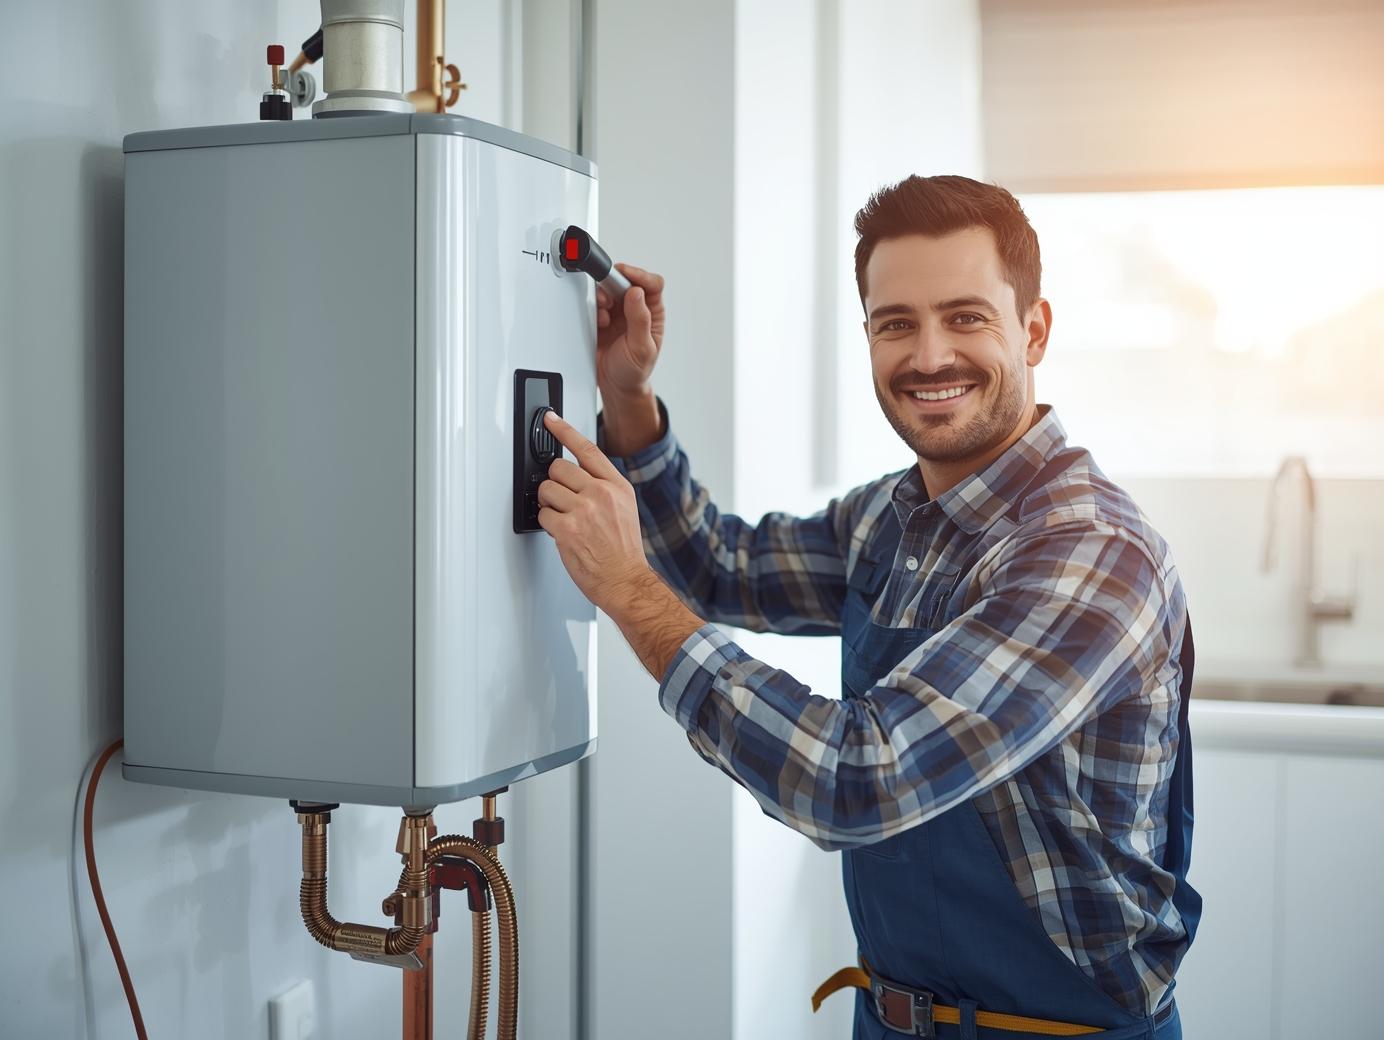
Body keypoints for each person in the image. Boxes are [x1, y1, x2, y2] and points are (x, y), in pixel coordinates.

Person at [536, 174, 1201, 1039]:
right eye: (897, 324)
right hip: (890, 1019)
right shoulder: (893, 518)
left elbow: (857, 780)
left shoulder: (1090, 554)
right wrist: (626, 398)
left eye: (965, 317)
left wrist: (627, 592)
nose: (928, 356)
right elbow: (718, 568)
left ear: (1033, 331)